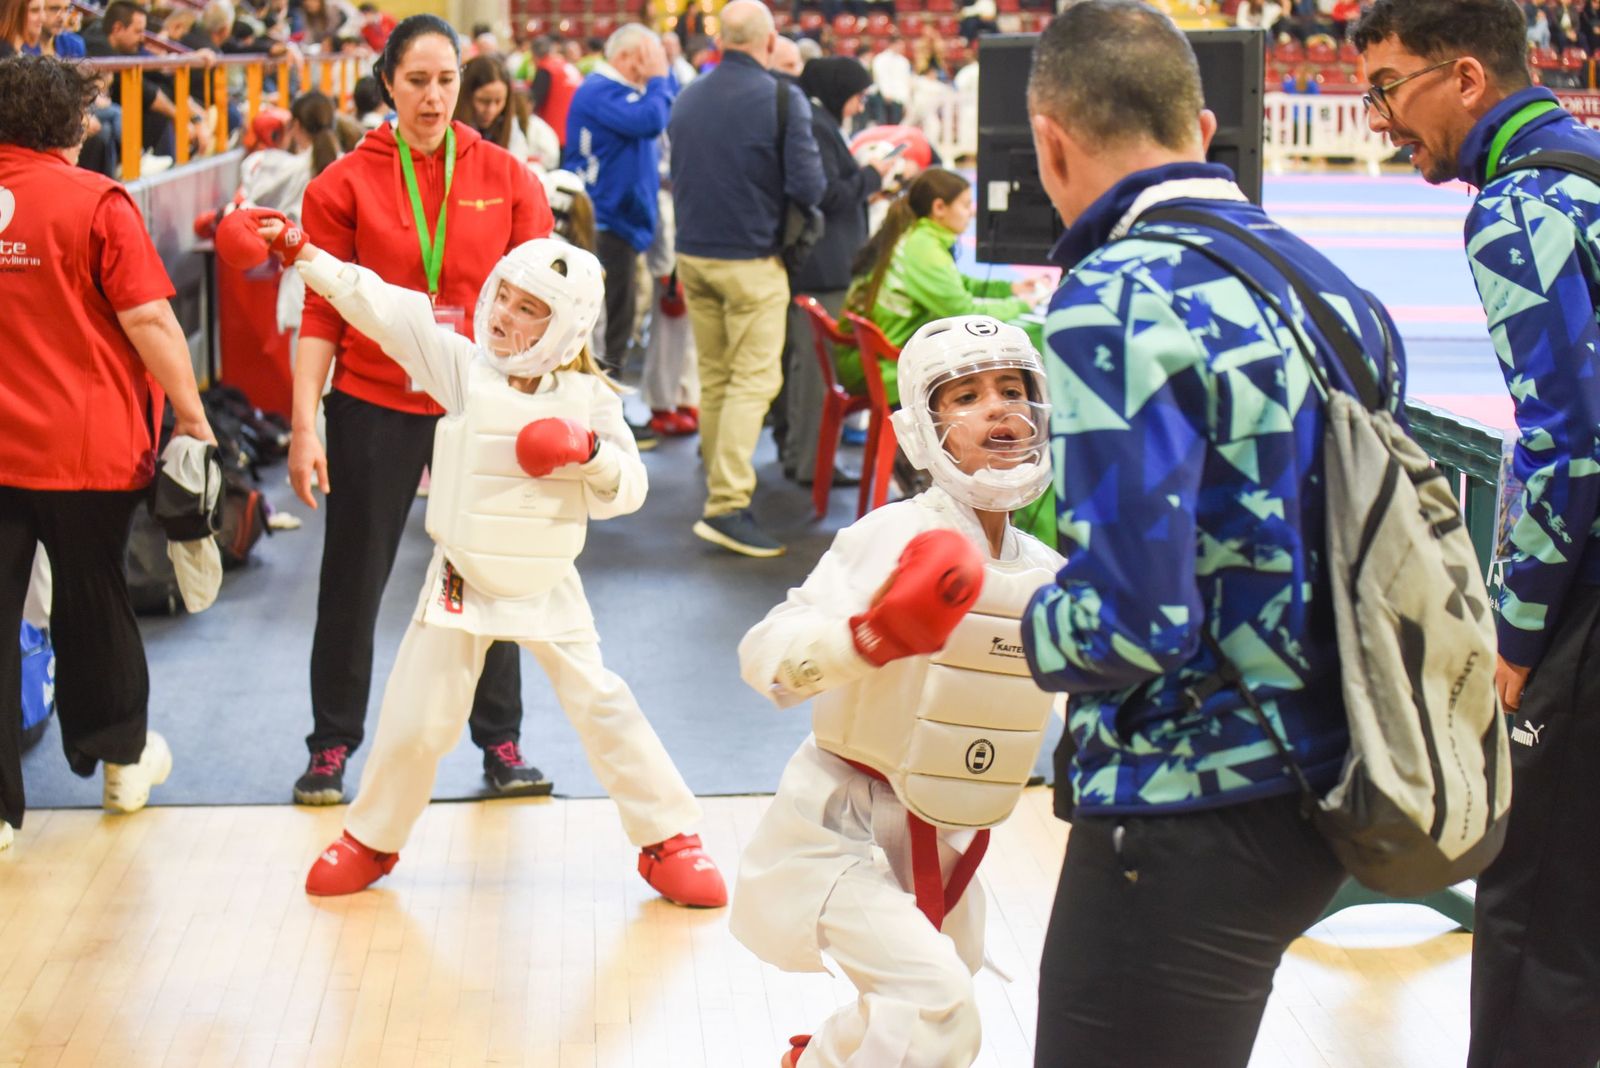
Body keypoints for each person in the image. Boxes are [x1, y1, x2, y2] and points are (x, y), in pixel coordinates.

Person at [1022, 3, 1410, 1063]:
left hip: (1183, 794)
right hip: (1326, 776)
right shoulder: (1334, 286)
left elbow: (1131, 623)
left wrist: (1010, 618)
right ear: (1202, 129)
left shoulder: (1113, 296)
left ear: (1050, 140)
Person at [224, 212, 729, 910]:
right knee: (417, 717)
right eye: (504, 299)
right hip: (462, 576)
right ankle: (373, 837)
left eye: (530, 311)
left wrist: (588, 454)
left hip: (549, 579)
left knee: (603, 705)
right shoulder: (464, 369)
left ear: (565, 327)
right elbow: (387, 309)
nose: (505, 318)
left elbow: (629, 493)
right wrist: (303, 252)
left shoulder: (588, 399)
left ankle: (670, 837)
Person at [1355, 2, 1600, 1063]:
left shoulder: (1518, 207)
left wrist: (1513, 636)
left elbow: (1571, 448)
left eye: (1386, 87)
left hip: (1586, 600)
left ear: (1462, 77)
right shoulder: (1586, 165)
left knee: (1535, 908)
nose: (1377, 120)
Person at [734, 316, 1063, 1067]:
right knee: (937, 1008)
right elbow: (767, 657)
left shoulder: (1046, 569)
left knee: (917, 1008)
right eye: (967, 396)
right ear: (924, 429)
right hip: (837, 831)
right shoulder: (894, 535)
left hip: (949, 843)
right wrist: (867, 638)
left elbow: (1094, 699)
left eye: (1012, 390)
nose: (998, 409)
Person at [288, 15, 555, 807]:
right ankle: (331, 745)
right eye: (417, 82)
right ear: (388, 86)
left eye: (446, 81)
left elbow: (545, 302)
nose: (434, 98)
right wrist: (305, 425)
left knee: (489, 568)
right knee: (354, 577)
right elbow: (320, 315)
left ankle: (501, 741)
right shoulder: (342, 183)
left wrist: (544, 404)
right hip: (372, 399)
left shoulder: (507, 175)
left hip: (478, 400)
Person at [0, 55, 216, 849]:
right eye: (88, 115)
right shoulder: (96, 202)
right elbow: (152, 323)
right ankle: (121, 764)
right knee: (95, 602)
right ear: (67, 127)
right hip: (83, 452)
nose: (96, 125)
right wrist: (193, 417)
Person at [668, 0, 825, 558]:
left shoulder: (686, 98)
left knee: (715, 377)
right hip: (751, 261)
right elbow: (810, 185)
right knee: (754, 382)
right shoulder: (782, 99)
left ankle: (719, 482)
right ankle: (727, 504)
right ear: (767, 41)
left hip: (693, 255)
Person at [838, 168, 1040, 407]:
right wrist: (1022, 304)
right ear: (939, 208)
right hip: (887, 369)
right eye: (965, 205)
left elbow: (956, 282)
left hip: (872, 359)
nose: (972, 212)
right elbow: (964, 313)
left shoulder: (921, 238)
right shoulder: (923, 248)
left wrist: (1010, 288)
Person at [780, 56, 892, 486]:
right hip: (823, 268)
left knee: (807, 370)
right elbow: (826, 194)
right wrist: (871, 177)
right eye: (858, 96)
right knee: (814, 373)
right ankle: (810, 464)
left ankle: (801, 458)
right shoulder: (816, 124)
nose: (860, 105)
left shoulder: (819, 121)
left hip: (824, 264)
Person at [563, 24, 674, 382]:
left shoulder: (618, 92)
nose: (656, 66)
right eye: (649, 57)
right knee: (609, 324)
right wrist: (659, 78)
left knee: (621, 321)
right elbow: (652, 119)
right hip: (606, 224)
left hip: (622, 224)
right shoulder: (599, 90)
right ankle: (604, 408)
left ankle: (611, 405)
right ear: (626, 56)